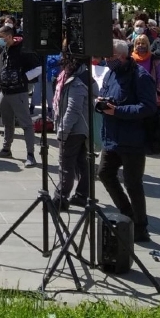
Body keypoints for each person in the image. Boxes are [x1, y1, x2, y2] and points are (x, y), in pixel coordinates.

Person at [97, 39, 157, 243]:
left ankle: (141, 227)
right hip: (112, 136)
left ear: (122, 56)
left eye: (110, 57)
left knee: (133, 183)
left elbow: (148, 107)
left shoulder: (141, 76)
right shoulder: (112, 72)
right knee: (104, 173)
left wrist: (118, 111)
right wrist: (102, 102)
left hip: (133, 139)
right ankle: (127, 213)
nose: (107, 60)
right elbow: (106, 92)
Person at [0, 25, 41, 168]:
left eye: (1, 36)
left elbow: (38, 67)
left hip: (18, 92)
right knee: (7, 122)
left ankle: (30, 154)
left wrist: (23, 78)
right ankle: (6, 149)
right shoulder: (4, 49)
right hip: (5, 91)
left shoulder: (24, 49)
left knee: (26, 124)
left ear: (10, 36)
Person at [52, 55, 95, 211]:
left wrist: (63, 130)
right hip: (79, 128)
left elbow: (73, 109)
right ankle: (82, 195)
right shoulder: (80, 78)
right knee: (81, 163)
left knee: (66, 165)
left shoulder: (77, 83)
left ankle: (60, 198)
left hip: (74, 129)